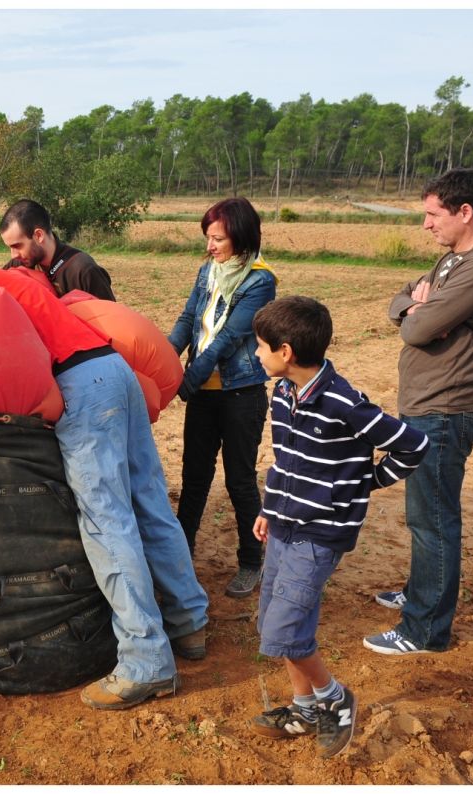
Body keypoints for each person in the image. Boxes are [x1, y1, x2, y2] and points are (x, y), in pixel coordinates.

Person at [0, 223, 209, 711]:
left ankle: (146, 662)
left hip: (81, 386)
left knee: (106, 523)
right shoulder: (3, 279)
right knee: (148, 503)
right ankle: (190, 623)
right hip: (113, 369)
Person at [249, 296, 428, 758]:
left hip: (320, 534)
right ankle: (305, 708)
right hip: (285, 525)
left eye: (261, 346)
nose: (256, 353)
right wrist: (270, 508)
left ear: (286, 352)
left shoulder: (343, 403)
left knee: (283, 630)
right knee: (280, 622)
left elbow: (413, 445)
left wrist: (367, 481)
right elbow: (285, 461)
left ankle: (334, 698)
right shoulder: (283, 392)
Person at [365, 168, 473, 656]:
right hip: (427, 404)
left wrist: (418, 314)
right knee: (425, 515)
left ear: (464, 212)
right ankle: (420, 592)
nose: (426, 224)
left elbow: (413, 330)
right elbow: (401, 302)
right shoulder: (455, 258)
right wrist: (415, 307)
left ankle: (424, 630)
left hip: (446, 409)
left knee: (432, 518)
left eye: (433, 214)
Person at [168, 197, 277, 598]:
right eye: (208, 237)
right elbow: (188, 319)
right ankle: (179, 558)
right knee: (194, 478)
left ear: (241, 237)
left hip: (240, 394)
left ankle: (251, 561)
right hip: (205, 395)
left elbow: (228, 339)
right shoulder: (208, 271)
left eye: (217, 238)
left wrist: (186, 381)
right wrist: (165, 357)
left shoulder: (260, 281)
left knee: (239, 480)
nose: (210, 246)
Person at [0, 199, 115, 301]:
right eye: (10, 247)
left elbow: (109, 316)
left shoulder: (83, 270)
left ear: (39, 236)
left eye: (17, 246)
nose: (13, 255)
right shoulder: (17, 265)